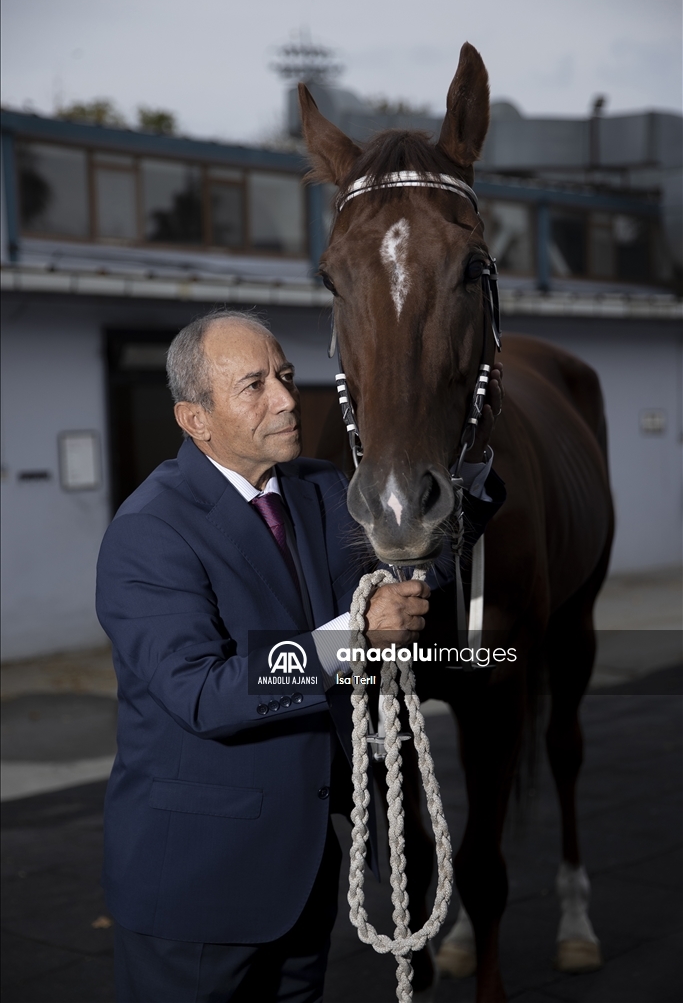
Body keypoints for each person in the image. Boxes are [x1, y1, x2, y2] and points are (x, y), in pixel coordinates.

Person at [96, 308, 504, 1003]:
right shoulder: (150, 531)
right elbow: (203, 694)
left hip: (303, 867)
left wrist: (472, 467)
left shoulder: (318, 490)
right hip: (197, 884)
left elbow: (400, 581)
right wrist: (352, 636)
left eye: (284, 375)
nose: (287, 398)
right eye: (253, 385)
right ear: (195, 419)